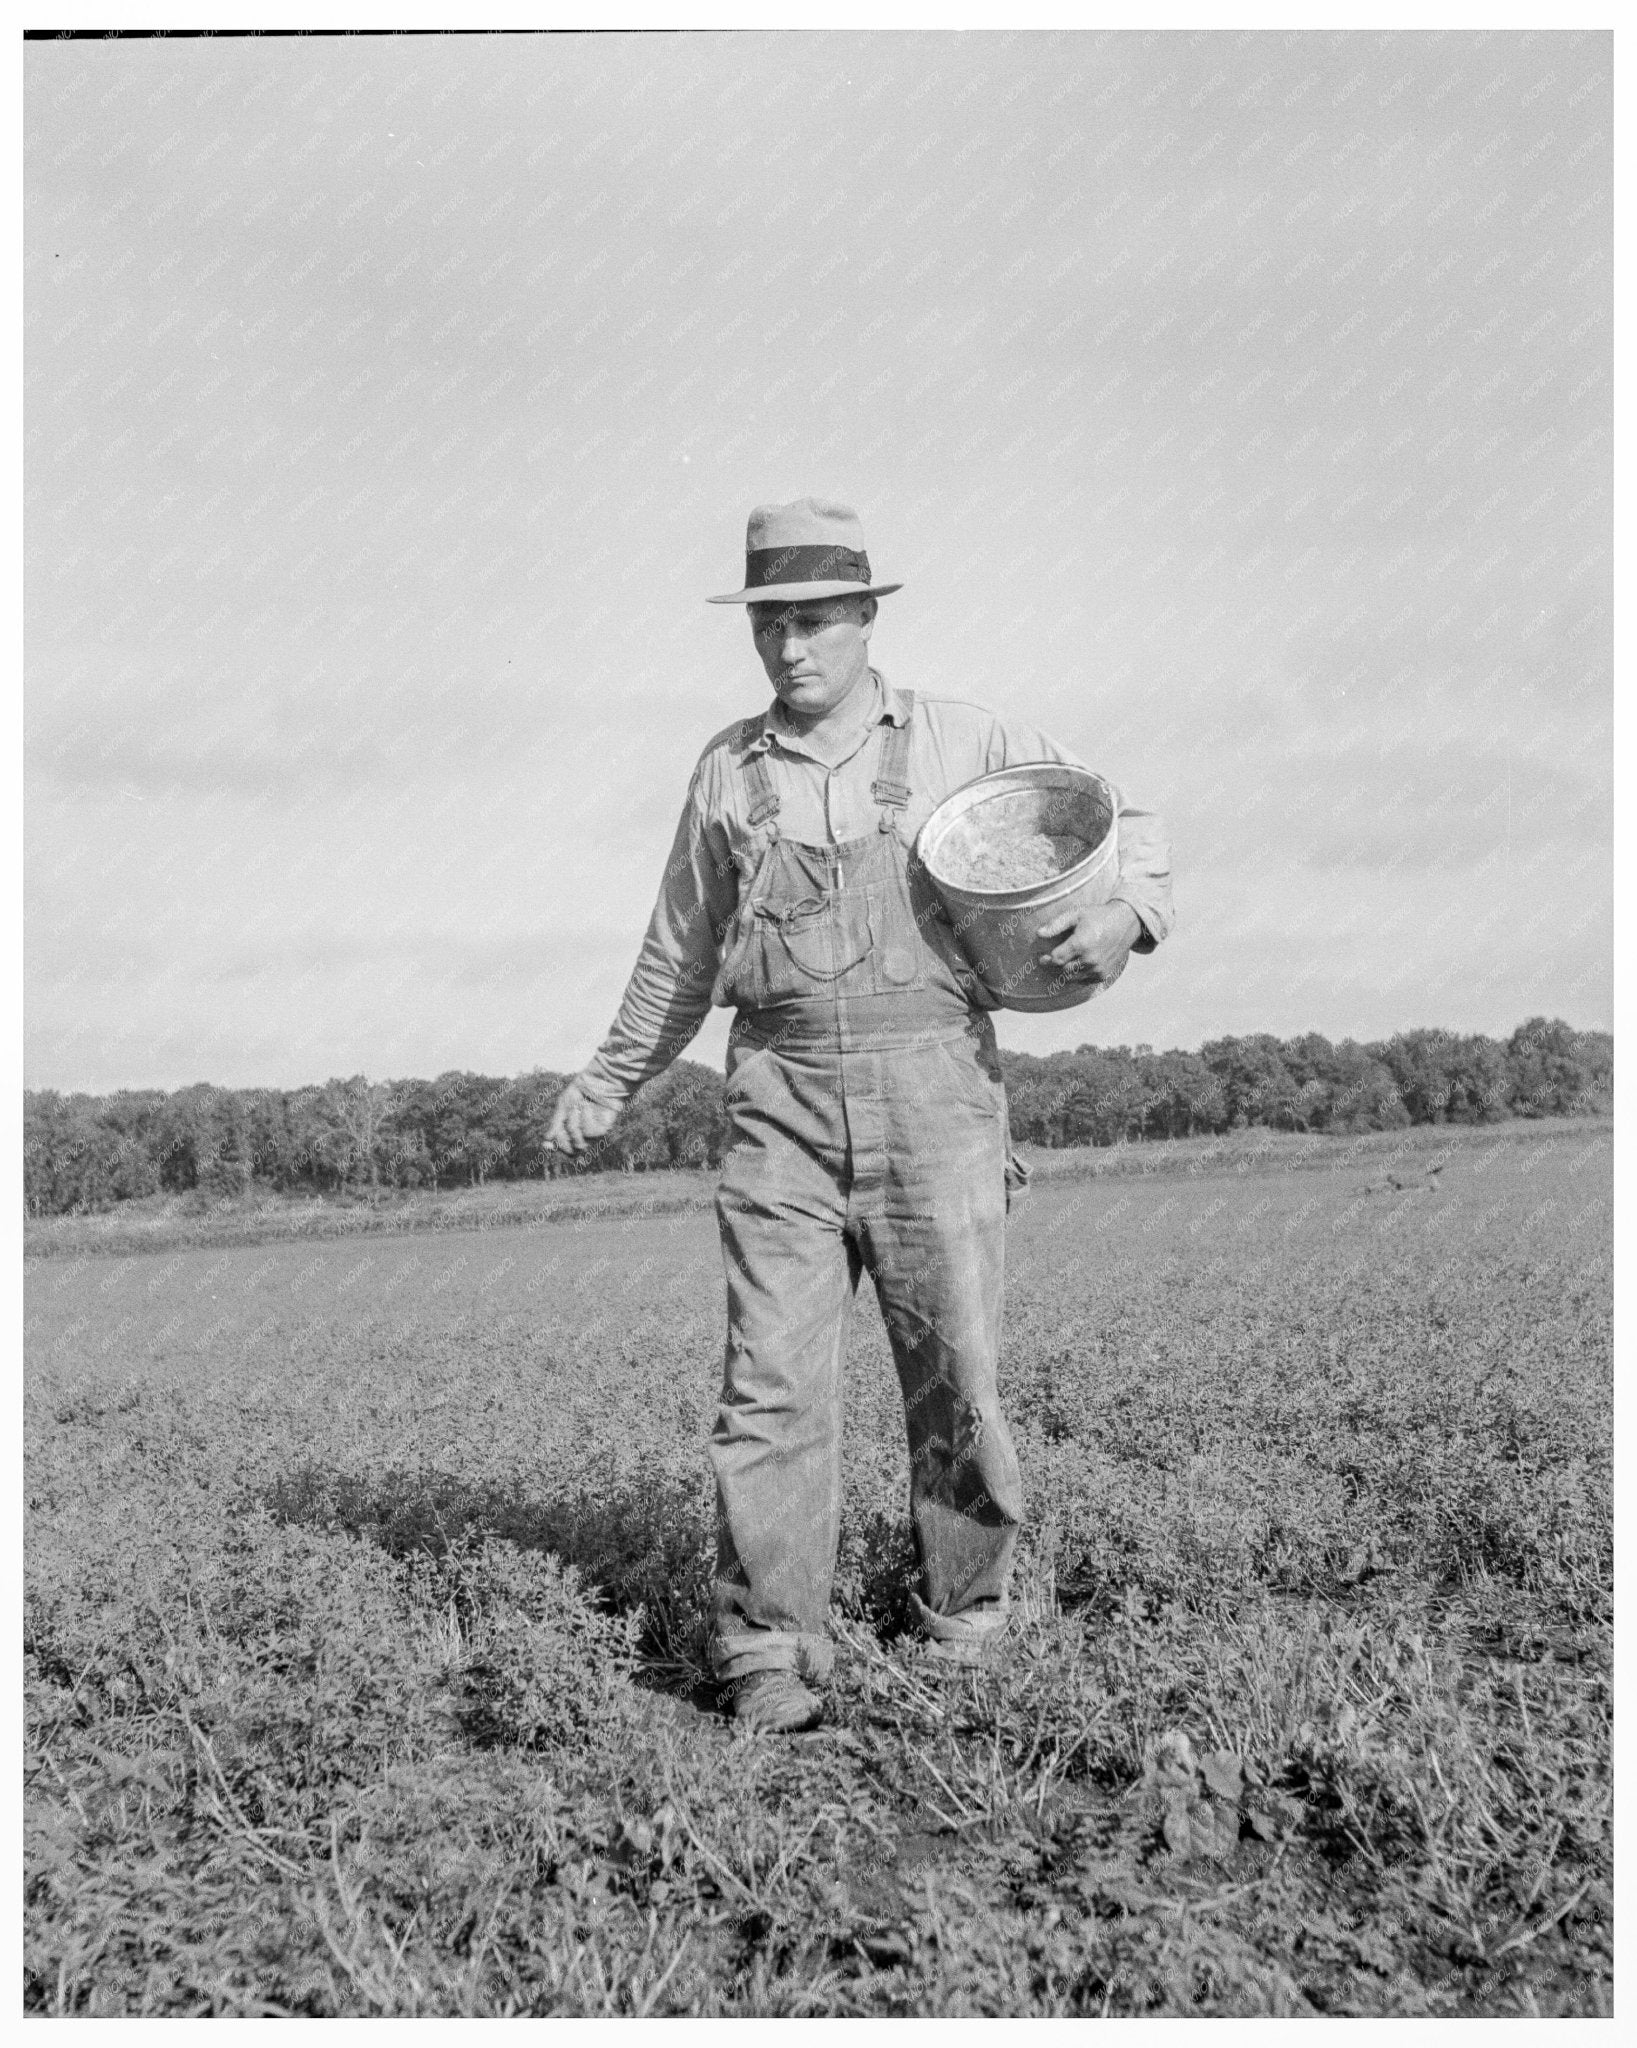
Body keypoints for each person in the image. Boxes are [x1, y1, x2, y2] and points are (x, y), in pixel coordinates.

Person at [547, 498, 1173, 1733]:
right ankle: (770, 1647)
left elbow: (1121, 825)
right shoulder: (725, 771)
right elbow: (678, 952)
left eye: (817, 620)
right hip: (775, 1098)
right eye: (771, 623)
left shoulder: (963, 736)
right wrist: (610, 1075)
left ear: (866, 617)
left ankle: (965, 1616)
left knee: (954, 1369)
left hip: (935, 1092)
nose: (792, 649)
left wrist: (1125, 916)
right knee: (769, 1380)